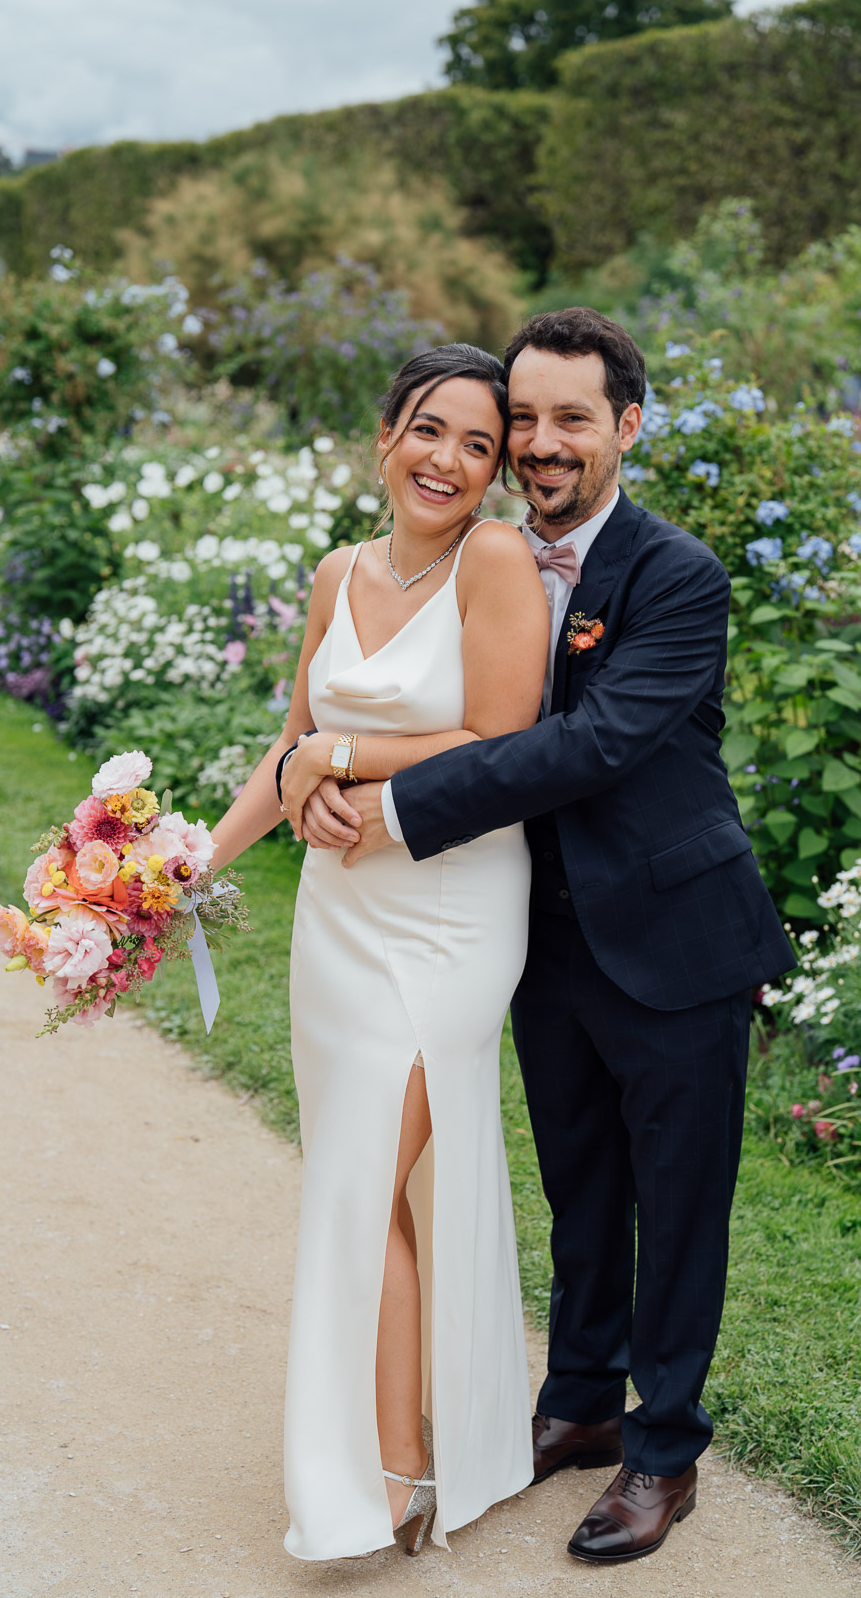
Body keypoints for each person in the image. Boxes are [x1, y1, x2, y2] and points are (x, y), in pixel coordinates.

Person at [297, 308, 795, 1567]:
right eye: (523, 417)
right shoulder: (493, 558)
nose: (539, 442)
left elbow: (583, 746)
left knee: (676, 1206)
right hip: (539, 937)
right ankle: (577, 1399)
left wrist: (380, 801)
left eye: (572, 418)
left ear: (627, 427)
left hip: (676, 938)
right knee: (578, 1182)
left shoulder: (677, 575)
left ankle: (662, 1451)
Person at [210, 344, 550, 1559]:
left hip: (450, 914)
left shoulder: (495, 560)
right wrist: (188, 869)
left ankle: (384, 1468)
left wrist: (337, 762)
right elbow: (287, 740)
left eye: (478, 444)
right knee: (370, 1187)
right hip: (336, 917)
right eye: (428, 430)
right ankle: (403, 1435)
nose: (449, 461)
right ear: (384, 438)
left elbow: (498, 736)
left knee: (366, 1179)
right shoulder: (336, 572)